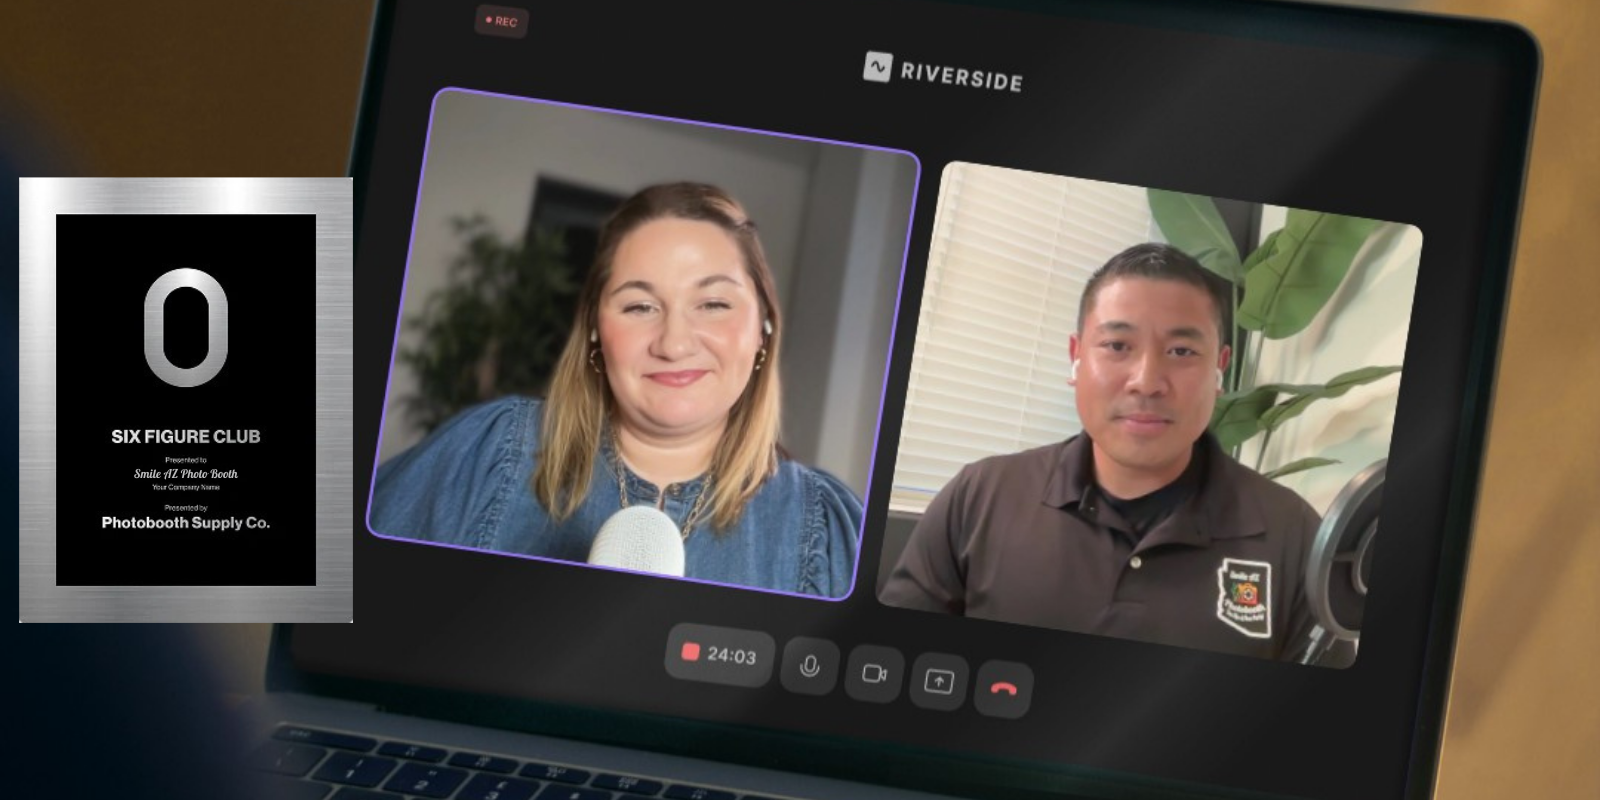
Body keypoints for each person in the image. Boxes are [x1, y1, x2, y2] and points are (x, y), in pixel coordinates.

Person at [371, 182, 861, 597]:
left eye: (713, 303)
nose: (673, 343)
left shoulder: (824, 529)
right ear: (594, 331)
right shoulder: (487, 454)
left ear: (763, 329)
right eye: (639, 307)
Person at [880, 243, 1320, 659]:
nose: (1146, 381)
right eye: (1117, 346)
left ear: (1219, 369)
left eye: (1181, 350)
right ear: (1076, 357)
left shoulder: (1294, 534)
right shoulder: (979, 497)